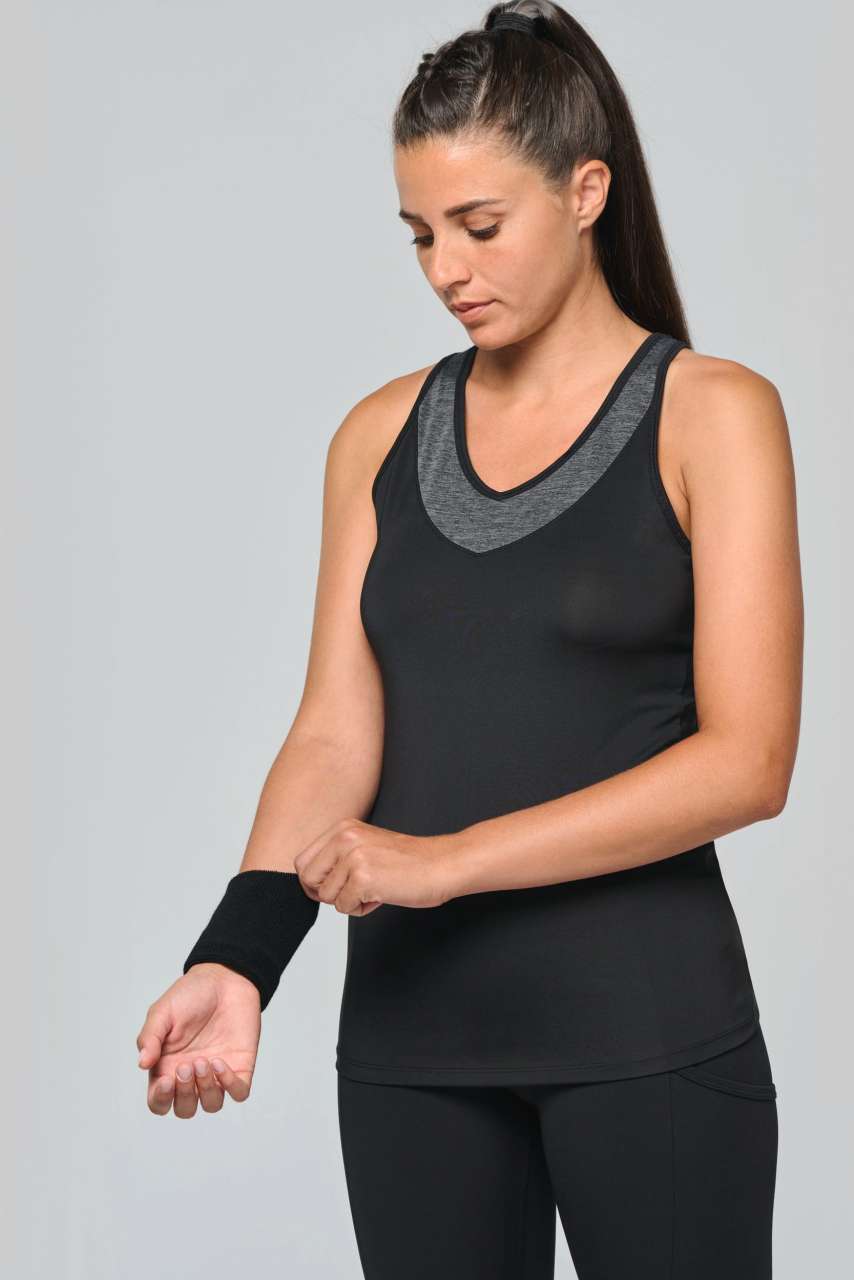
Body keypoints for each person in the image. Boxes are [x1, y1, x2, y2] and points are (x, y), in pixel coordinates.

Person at [136, 3, 803, 1276]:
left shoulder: (711, 414)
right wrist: (239, 952)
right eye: (420, 233)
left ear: (585, 191)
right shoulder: (377, 435)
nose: (447, 267)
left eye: (479, 225)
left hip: (645, 1032)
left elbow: (746, 761)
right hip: (412, 1044)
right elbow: (334, 731)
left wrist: (444, 862)